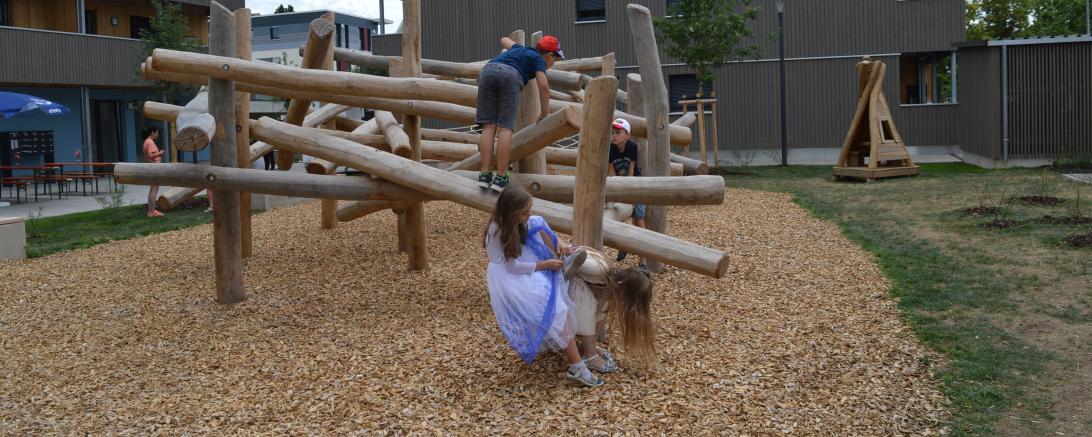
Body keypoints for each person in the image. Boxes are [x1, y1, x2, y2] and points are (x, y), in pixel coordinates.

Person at [483, 185, 603, 387]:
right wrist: (544, 265)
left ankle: (563, 252)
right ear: (511, 213)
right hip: (511, 274)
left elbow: (536, 224)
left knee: (538, 223)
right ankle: (577, 367)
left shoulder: (523, 221)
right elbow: (512, 267)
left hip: (523, 261)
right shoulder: (496, 232)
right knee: (558, 311)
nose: (528, 215)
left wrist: (560, 241)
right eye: (524, 212)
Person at [476, 35, 565, 192]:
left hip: (488, 71)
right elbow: (543, 86)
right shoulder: (539, 59)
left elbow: (503, 39)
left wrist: (514, 46)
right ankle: (501, 176)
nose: (553, 63)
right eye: (555, 59)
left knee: (488, 126)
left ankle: (484, 175)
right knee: (504, 128)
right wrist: (544, 112)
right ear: (550, 55)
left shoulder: (520, 49)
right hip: (511, 76)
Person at [569, 248, 656, 371]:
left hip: (570, 286)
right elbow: (568, 260)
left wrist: (592, 344)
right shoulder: (598, 269)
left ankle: (589, 348)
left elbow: (599, 314)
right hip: (553, 282)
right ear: (623, 287)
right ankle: (589, 356)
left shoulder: (608, 282)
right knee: (587, 302)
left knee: (600, 307)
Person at [607, 118, 646, 266]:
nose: (614, 135)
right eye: (613, 132)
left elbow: (631, 173)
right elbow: (611, 172)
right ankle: (623, 245)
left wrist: (628, 194)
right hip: (619, 185)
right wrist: (618, 192)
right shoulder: (611, 148)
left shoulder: (632, 146)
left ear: (627, 135)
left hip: (635, 185)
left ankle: (643, 261)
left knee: (639, 220)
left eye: (618, 132)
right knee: (619, 214)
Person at [142, 126, 165, 218]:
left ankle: (151, 210)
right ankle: (152, 211)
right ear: (152, 132)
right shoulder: (150, 142)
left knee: (153, 189)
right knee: (154, 190)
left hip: (152, 168)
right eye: (157, 133)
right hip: (154, 168)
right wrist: (160, 152)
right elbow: (151, 155)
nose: (157, 135)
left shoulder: (146, 142)